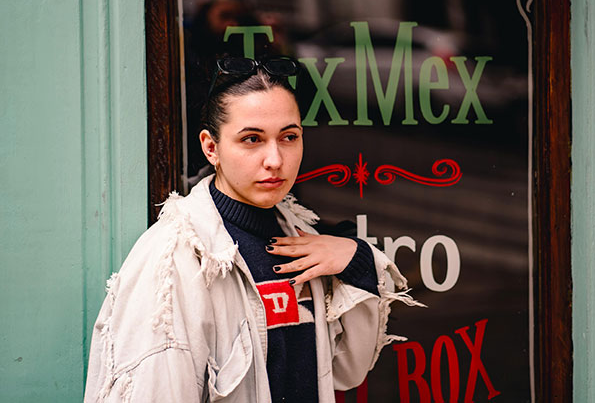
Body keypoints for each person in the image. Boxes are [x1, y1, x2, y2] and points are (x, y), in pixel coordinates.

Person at [84, 56, 421, 402]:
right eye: (251, 139)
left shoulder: (300, 237)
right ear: (211, 147)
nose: (275, 159)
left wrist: (357, 260)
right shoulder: (177, 258)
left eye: (289, 137)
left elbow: (346, 371)